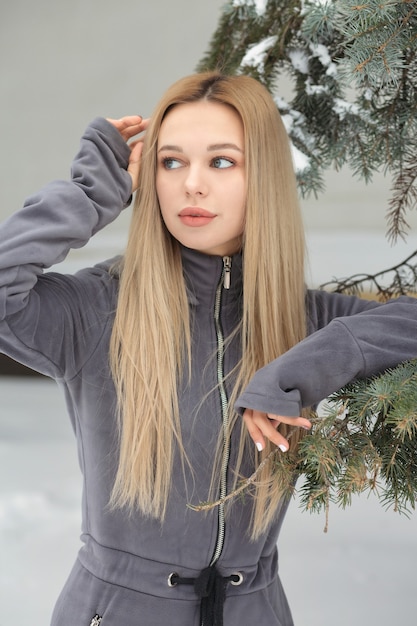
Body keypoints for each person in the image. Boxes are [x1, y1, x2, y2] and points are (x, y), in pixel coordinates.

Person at [1, 71, 417, 626]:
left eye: (221, 161)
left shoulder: (304, 319)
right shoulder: (98, 309)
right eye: (171, 162)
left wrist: (309, 364)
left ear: (264, 177)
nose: (191, 184)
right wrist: (88, 196)